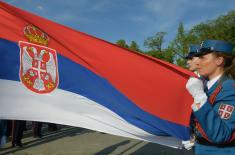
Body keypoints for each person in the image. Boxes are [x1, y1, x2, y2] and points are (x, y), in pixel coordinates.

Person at [186, 40, 235, 155]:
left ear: (219, 60)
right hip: (201, 148)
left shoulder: (229, 88)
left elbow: (221, 134)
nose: (198, 63)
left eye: (203, 58)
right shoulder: (205, 85)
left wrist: (198, 96)